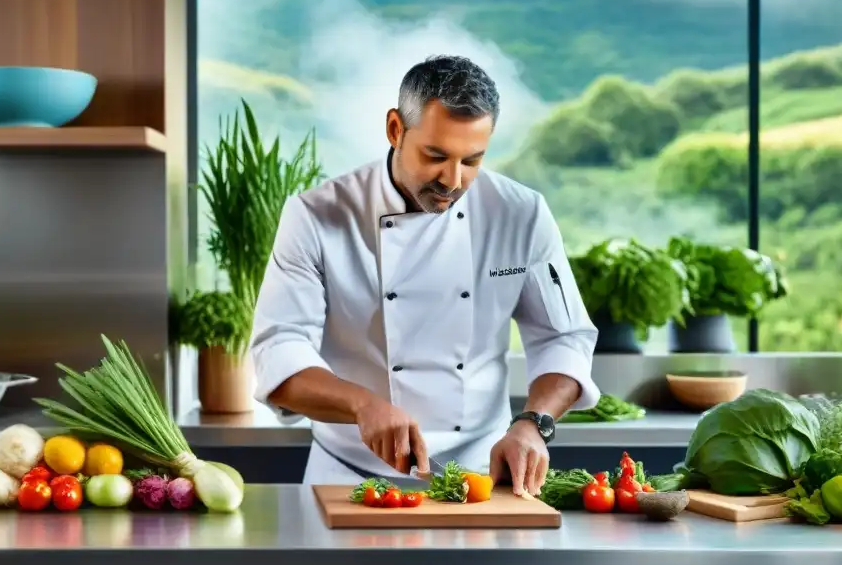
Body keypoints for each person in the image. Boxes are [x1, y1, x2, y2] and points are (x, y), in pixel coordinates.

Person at [249, 55, 600, 494]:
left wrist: (533, 423)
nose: (452, 180)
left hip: (481, 480)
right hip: (346, 479)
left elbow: (563, 338)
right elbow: (278, 351)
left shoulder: (521, 213)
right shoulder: (317, 216)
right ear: (395, 129)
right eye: (435, 155)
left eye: (471, 160)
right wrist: (362, 405)